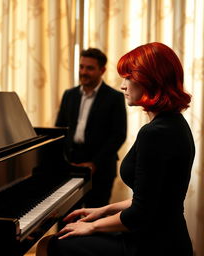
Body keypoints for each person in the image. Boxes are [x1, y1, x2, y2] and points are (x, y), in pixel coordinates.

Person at [36, 42, 195, 256]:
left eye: (129, 77)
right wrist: (104, 210)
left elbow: (140, 213)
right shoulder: (173, 123)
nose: (123, 85)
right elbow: (151, 198)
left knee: (50, 244)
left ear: (151, 81)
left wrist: (91, 226)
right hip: (163, 237)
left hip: (151, 245)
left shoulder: (156, 133)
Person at [55, 48, 127, 208]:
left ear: (102, 70)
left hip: (101, 169)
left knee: (94, 220)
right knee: (65, 218)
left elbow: (118, 135)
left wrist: (94, 163)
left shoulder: (114, 98)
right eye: (81, 67)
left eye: (89, 68)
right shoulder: (69, 94)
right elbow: (59, 129)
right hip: (70, 166)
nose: (83, 72)